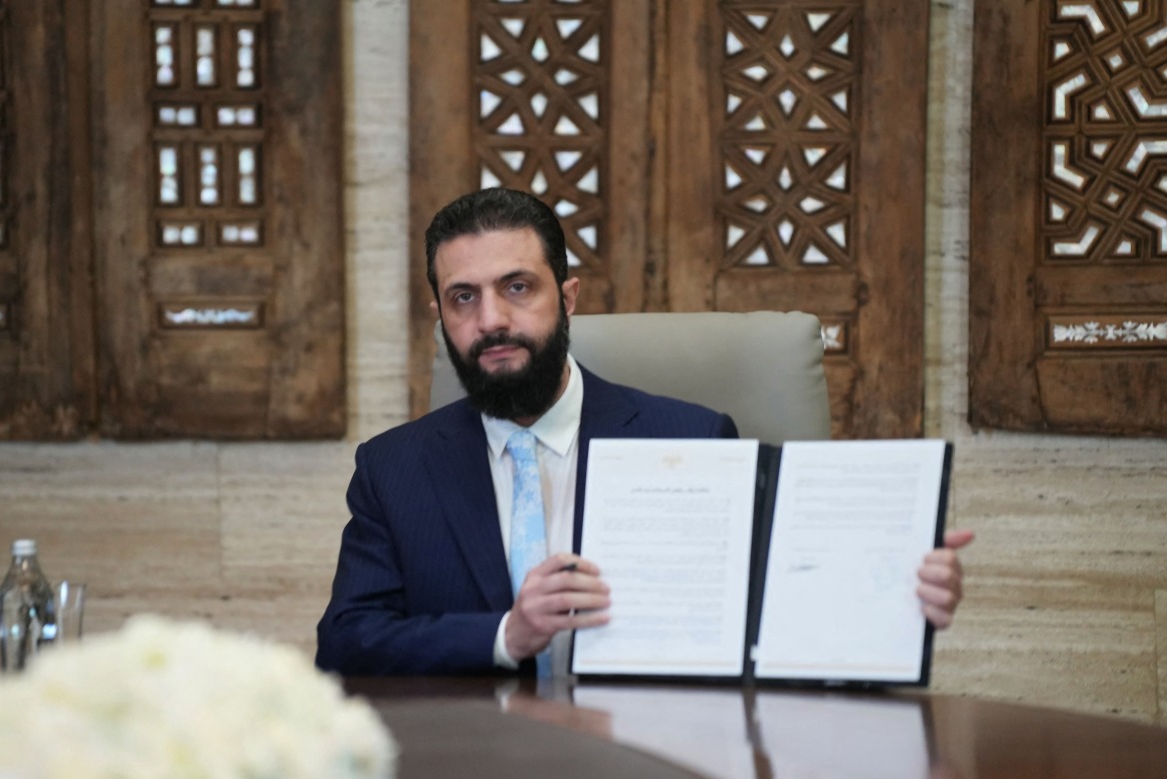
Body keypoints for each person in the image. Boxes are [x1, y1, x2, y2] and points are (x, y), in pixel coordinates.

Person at [315, 187, 972, 676]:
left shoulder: (691, 439)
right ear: (439, 314)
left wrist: (893, 592)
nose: (492, 319)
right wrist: (507, 635)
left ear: (566, 297)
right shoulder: (392, 468)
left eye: (518, 287)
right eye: (464, 297)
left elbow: (779, 614)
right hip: (473, 766)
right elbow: (345, 642)